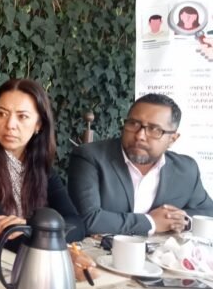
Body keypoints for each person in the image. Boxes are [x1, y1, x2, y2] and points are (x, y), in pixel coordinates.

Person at [0, 79, 91, 278]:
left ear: (39, 124)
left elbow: (76, 224)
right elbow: (0, 229)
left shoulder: (41, 167)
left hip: (27, 267)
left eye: (22, 116)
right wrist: (52, 243)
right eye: (2, 114)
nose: (10, 125)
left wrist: (30, 227)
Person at [68, 93, 213, 236]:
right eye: (133, 124)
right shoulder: (90, 157)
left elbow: (208, 212)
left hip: (162, 251)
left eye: (154, 129)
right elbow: (87, 219)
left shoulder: (186, 169)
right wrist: (151, 222)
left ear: (172, 139)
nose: (140, 136)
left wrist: (181, 221)